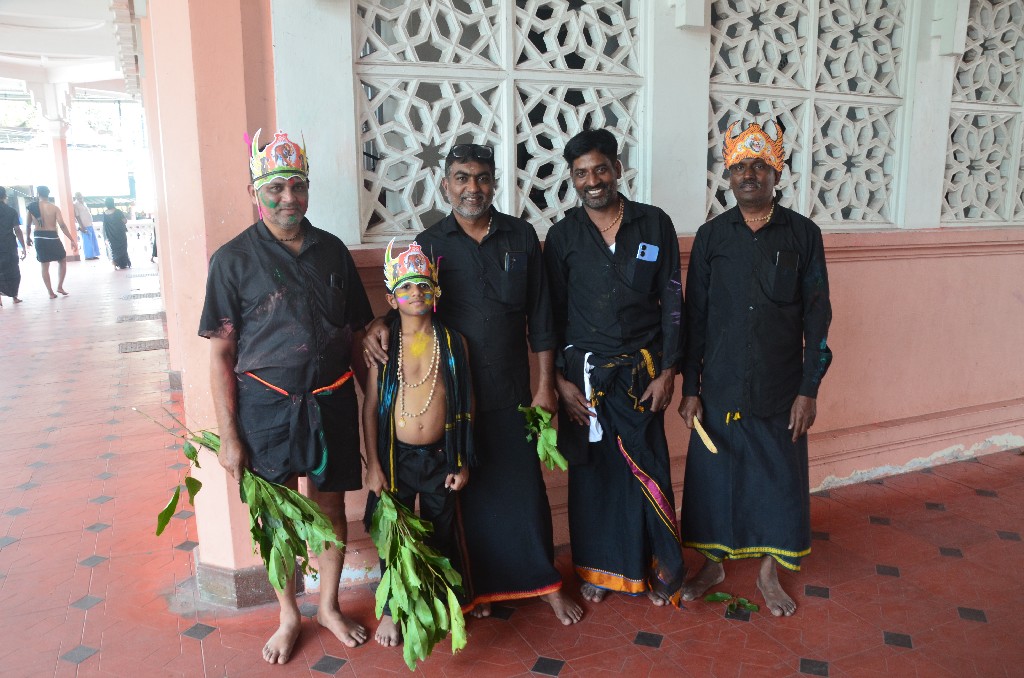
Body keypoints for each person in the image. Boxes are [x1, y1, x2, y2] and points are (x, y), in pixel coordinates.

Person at [364, 144, 583, 626]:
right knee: (465, 499)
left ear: (494, 184)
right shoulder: (429, 242)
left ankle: (544, 584)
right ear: (445, 185)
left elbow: (541, 320)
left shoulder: (521, 236)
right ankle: (478, 592)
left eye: (482, 178)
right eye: (462, 178)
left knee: (524, 493)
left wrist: (545, 386)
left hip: (510, 393)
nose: (472, 188)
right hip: (452, 399)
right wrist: (378, 323)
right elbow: (412, 301)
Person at [198, 128, 373, 663]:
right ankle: (288, 614)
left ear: (308, 188)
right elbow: (221, 356)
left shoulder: (334, 252)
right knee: (277, 516)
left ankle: (327, 606)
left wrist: (381, 333)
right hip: (266, 411)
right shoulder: (232, 260)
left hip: (332, 403)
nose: (288, 198)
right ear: (256, 191)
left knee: (330, 507)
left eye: (297, 186)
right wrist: (230, 438)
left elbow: (359, 331)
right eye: (275, 188)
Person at [677, 120, 833, 617]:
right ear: (728, 175)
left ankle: (769, 570)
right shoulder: (711, 237)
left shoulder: (803, 235)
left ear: (776, 172)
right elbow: (694, 317)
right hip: (720, 387)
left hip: (780, 387)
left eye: (760, 165)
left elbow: (818, 316)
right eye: (740, 166)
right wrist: (691, 387)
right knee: (715, 477)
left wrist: (808, 390)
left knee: (776, 480)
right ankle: (714, 563)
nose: (749, 174)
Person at [545, 128, 685, 607]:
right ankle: (601, 570)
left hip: (642, 373)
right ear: (572, 179)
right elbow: (552, 314)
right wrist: (559, 382)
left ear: (618, 169)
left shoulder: (653, 224)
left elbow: (672, 300)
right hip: (584, 378)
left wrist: (669, 371)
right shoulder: (562, 236)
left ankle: (655, 563)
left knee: (648, 470)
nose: (593, 180)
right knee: (597, 477)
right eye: (581, 173)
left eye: (600, 168)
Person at [363, 239, 474, 647]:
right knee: (393, 533)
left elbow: (467, 403)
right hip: (394, 459)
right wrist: (373, 465)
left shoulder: (453, 343)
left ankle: (444, 599)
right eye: (407, 288)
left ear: (436, 292)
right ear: (392, 298)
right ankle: (392, 609)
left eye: (424, 286)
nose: (416, 294)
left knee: (441, 529)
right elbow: (372, 405)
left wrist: (461, 461)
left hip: (442, 457)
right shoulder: (384, 345)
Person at [25, 186, 74, 298]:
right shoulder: (54, 208)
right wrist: (71, 239)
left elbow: (27, 225)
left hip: (39, 237)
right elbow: (62, 225)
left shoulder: (32, 207)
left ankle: (50, 292)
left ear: (38, 194)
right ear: (48, 194)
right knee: (62, 259)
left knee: (44, 265)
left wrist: (28, 238)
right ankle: (60, 286)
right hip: (52, 236)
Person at [0, 187, 26, 306]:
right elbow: (17, 229)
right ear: (5, 196)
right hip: (8, 245)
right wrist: (23, 246)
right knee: (13, 270)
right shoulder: (11, 211)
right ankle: (14, 296)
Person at [102, 198, 131, 269]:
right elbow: (125, 221)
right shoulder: (118, 211)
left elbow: (105, 225)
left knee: (114, 249)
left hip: (111, 235)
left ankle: (115, 262)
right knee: (122, 248)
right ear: (113, 203)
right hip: (120, 234)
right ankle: (122, 263)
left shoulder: (105, 213)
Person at [73, 193, 100, 260]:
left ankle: (93, 255)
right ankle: (88, 256)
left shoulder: (84, 203)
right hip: (84, 225)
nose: (79, 197)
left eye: (80, 195)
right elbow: (77, 216)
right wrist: (81, 226)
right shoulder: (75, 204)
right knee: (87, 241)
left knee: (92, 240)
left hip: (90, 224)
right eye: (77, 196)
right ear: (76, 197)